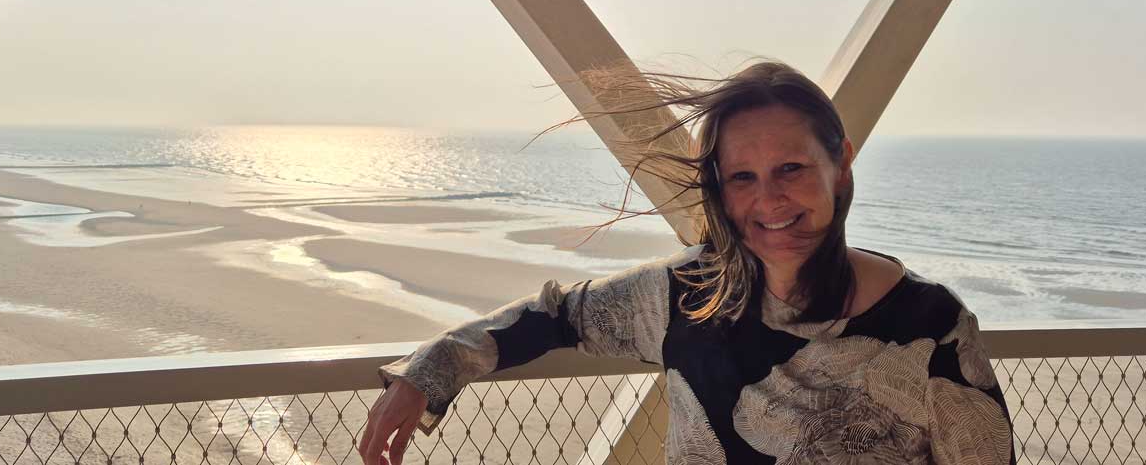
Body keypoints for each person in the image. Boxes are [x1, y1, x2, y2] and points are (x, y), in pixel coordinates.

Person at [359, 61, 1014, 465]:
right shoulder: (684, 296)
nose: (769, 201)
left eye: (791, 168)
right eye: (742, 177)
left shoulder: (931, 326)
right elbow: (554, 316)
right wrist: (429, 371)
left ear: (839, 163)